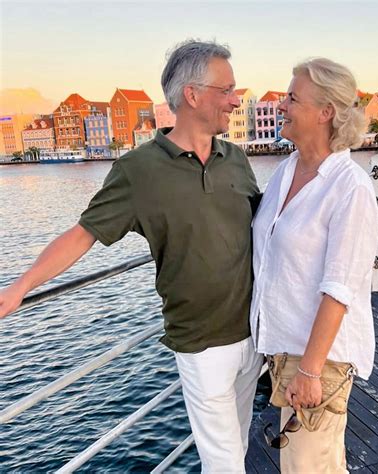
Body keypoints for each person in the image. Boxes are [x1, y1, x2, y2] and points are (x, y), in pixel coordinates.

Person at [0, 40, 263, 473]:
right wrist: (21, 285)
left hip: (253, 333)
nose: (235, 100)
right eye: (227, 90)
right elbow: (83, 234)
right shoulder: (138, 171)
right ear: (192, 95)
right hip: (201, 343)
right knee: (225, 464)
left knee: (241, 439)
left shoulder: (234, 157)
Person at [250, 57, 378, 473]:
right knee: (318, 464)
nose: (281, 106)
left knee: (307, 467)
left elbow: (339, 288)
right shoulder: (285, 172)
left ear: (325, 112)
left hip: (317, 359)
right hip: (285, 351)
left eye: (292, 98)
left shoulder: (350, 187)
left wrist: (310, 370)